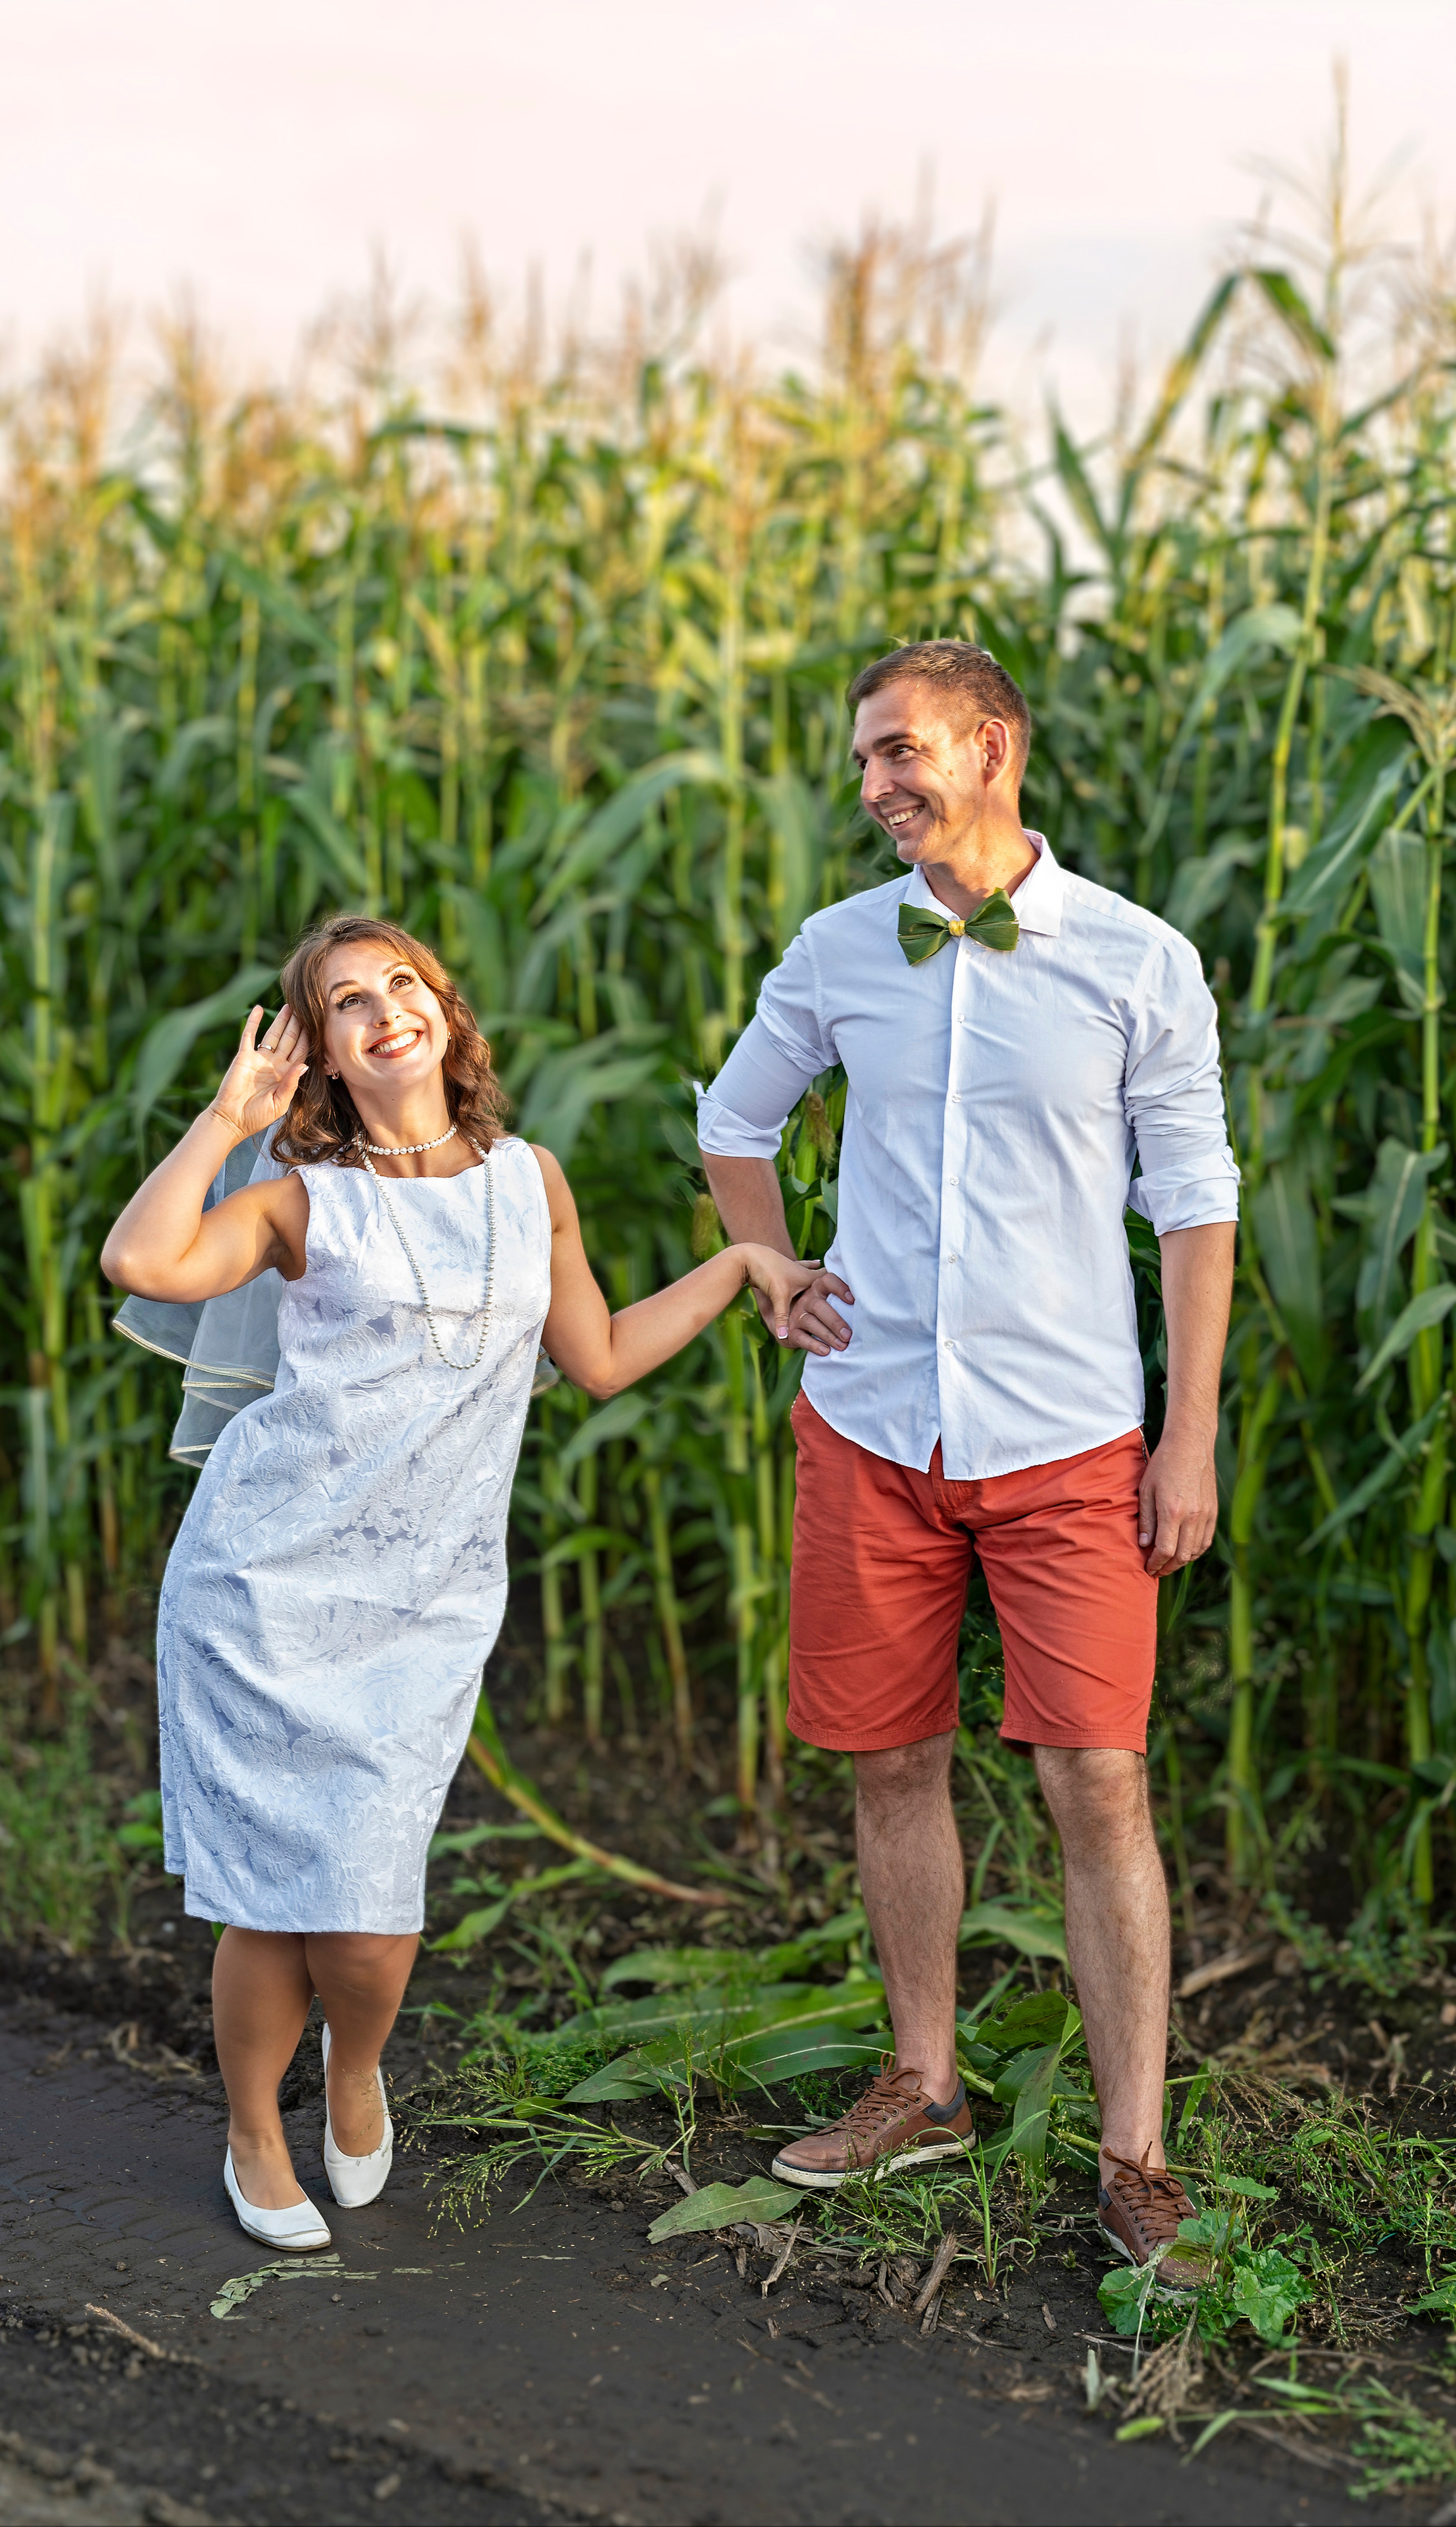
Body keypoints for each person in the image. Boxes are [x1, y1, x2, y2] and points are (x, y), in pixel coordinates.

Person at [102, 913, 817, 2253]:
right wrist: (223, 1119)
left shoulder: (527, 1180)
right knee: (271, 1900)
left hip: (427, 1599)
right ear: (318, 1050)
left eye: (402, 985)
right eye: (344, 1003)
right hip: (265, 1585)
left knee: (369, 1921)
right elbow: (145, 1264)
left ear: (445, 1006)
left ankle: (355, 2063)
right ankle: (255, 2130)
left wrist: (735, 1266)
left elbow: (594, 1356)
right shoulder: (299, 1197)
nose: (384, 1012)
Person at [697, 641, 1238, 2293]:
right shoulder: (838, 950)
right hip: (871, 1425)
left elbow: (1195, 1204)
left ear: (991, 744)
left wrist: (1187, 1433)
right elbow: (735, 1119)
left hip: (1070, 1437)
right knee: (888, 1764)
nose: (872, 787)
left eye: (897, 752)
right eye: (864, 763)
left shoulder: (1134, 960)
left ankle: (1133, 2157)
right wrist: (770, 1264)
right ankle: (921, 2084)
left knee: (1097, 1781)